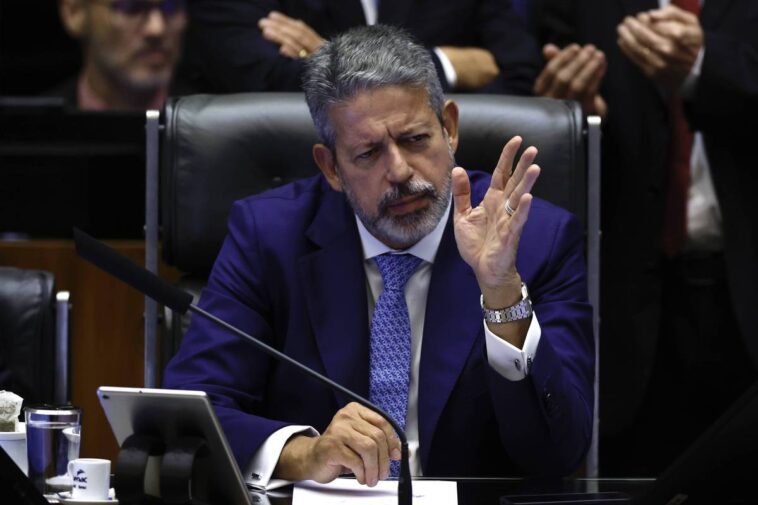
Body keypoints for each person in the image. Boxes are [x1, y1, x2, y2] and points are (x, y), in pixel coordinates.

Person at [163, 25, 594, 487]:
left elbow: (559, 451)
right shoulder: (269, 236)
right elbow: (191, 414)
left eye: (415, 139)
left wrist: (501, 292)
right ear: (331, 167)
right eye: (368, 153)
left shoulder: (536, 239)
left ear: (449, 128)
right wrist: (303, 454)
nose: (400, 171)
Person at [533, 0, 758, 475]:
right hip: (627, 305)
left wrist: (706, 66)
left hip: (741, 290)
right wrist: (576, 118)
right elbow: (533, 93)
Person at [174, 0, 541, 95]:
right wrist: (443, 65)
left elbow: (521, 76)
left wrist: (325, 58)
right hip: (292, 189)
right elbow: (265, 78)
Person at [55, 0, 187, 110]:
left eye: (172, 6)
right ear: (75, 11)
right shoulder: (45, 127)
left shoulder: (198, 127)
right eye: (131, 8)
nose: (157, 29)